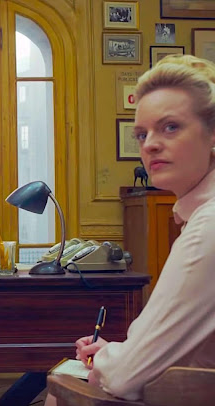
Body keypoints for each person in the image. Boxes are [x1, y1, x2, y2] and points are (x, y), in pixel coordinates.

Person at [46, 54, 215, 404]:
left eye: (170, 127)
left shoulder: (208, 227)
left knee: (59, 387)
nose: (149, 144)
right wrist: (116, 354)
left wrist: (111, 361)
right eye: (141, 133)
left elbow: (125, 378)